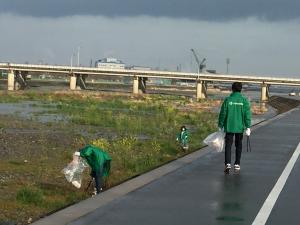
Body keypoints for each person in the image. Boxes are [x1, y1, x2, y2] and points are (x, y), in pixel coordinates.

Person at [218, 82, 251, 173]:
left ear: (232, 89)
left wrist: (220, 125)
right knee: (238, 146)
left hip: (229, 127)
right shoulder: (244, 101)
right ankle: (237, 164)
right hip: (240, 128)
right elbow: (247, 115)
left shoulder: (228, 100)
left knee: (228, 146)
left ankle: (227, 163)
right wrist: (248, 127)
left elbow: (223, 113)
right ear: (241, 89)